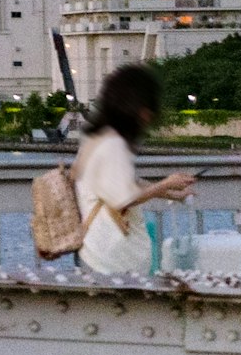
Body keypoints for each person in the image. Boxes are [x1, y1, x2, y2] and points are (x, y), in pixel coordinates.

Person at [67, 64, 196, 277]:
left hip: (97, 251)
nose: (148, 116)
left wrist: (171, 192)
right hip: (110, 258)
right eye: (146, 108)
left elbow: (123, 184)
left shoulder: (99, 138)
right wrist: (165, 184)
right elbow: (123, 198)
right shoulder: (114, 144)